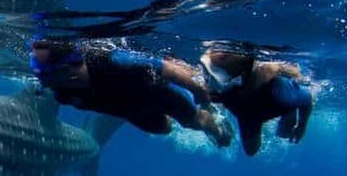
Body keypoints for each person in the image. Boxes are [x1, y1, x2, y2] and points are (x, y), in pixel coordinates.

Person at [30, 39, 233, 147]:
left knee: (194, 122)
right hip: (129, 109)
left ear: (65, 70)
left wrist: (200, 93)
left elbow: (167, 69)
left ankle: (217, 124)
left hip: (154, 90)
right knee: (164, 129)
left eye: (42, 73)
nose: (39, 79)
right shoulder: (61, 92)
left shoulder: (110, 61)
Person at [31, 0, 276, 38]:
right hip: (161, 14)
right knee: (111, 26)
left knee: (111, 22)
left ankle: (49, 22)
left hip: (162, 12)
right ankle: (49, 23)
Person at [201, 49, 314, 156]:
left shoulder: (281, 93)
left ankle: (290, 112)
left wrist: (301, 126)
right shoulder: (218, 78)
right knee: (251, 150)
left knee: (283, 133)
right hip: (246, 109)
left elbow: (308, 98)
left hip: (267, 100)